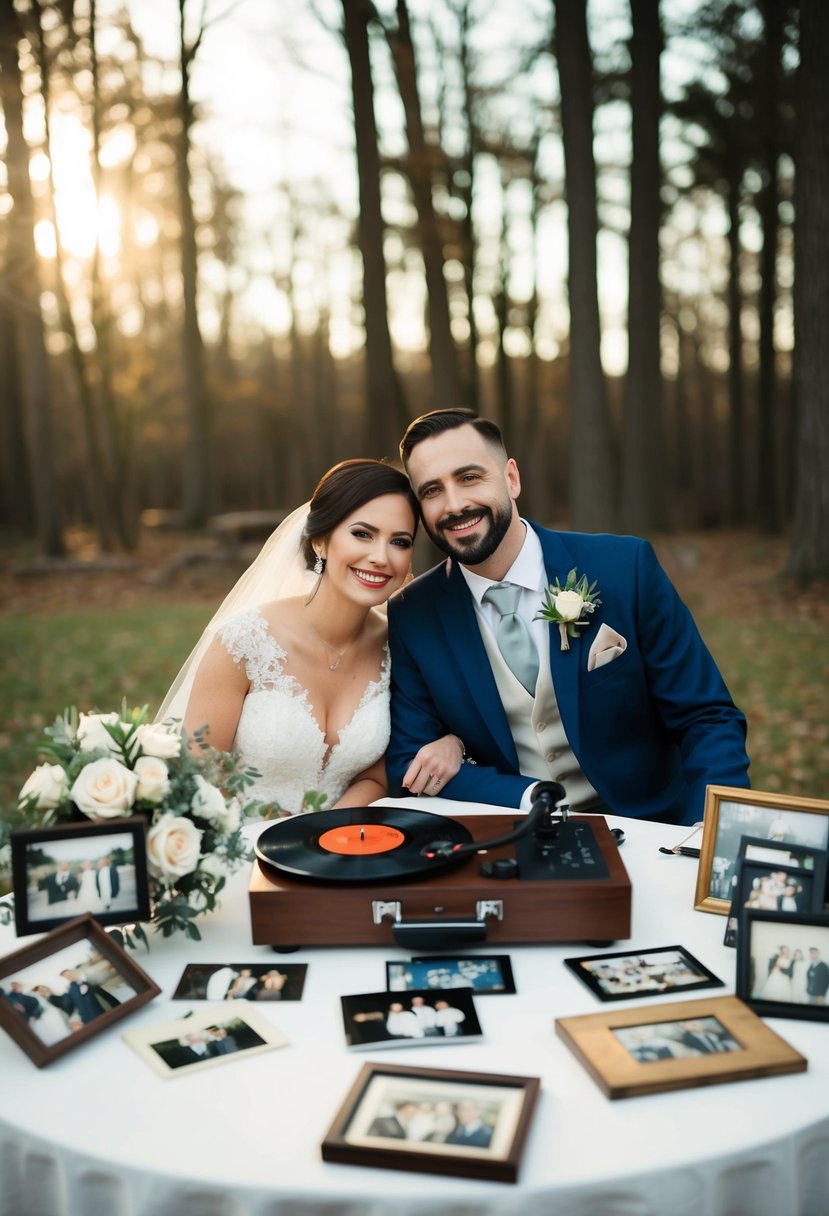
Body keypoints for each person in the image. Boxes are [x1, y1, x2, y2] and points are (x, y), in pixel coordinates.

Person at [386, 408, 750, 825]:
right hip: (514, 836)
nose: (455, 505)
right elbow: (409, 763)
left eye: (469, 478)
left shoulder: (624, 567)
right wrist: (528, 798)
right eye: (432, 491)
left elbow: (706, 717)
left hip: (653, 830)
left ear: (511, 478)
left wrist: (712, 828)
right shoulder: (412, 613)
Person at [157, 459, 462, 815]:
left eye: (399, 541)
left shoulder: (400, 645)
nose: (380, 557)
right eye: (362, 534)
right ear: (320, 540)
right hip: (241, 847)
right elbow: (200, 779)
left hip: (345, 846)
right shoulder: (243, 642)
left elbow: (376, 776)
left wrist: (326, 832)